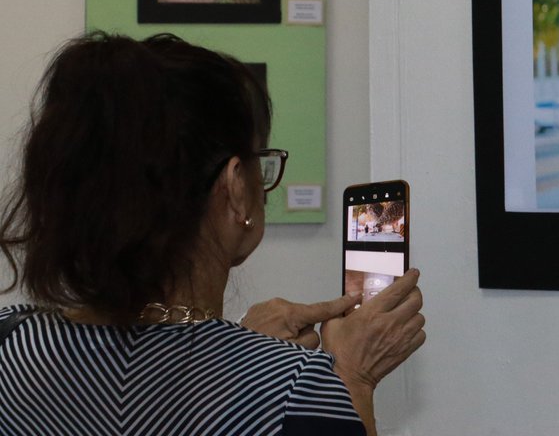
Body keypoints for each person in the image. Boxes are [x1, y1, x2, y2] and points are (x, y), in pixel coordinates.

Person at [0, 32, 425, 436]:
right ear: (236, 186)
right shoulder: (297, 392)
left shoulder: (8, 342)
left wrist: (241, 342)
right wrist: (353, 376)